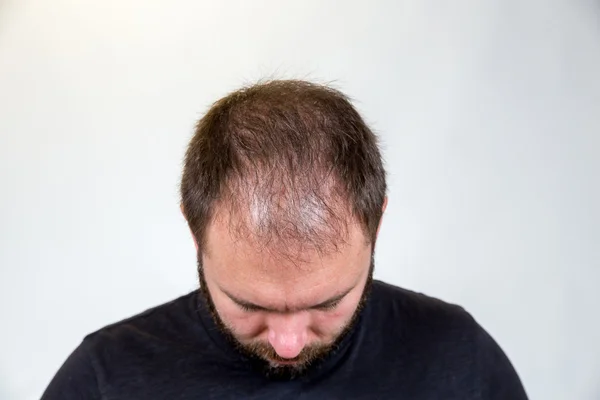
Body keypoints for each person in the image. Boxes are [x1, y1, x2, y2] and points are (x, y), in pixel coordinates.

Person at [42, 80, 528, 399]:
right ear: (194, 229)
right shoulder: (103, 378)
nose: (289, 344)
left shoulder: (459, 357)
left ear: (376, 226)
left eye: (327, 303)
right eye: (250, 305)